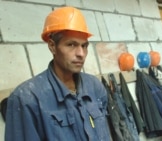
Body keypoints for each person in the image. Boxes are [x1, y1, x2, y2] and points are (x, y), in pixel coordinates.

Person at [5, 6, 111, 141]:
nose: (81, 54)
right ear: (52, 46)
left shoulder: (94, 87)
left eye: (84, 46)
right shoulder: (27, 98)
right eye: (71, 45)